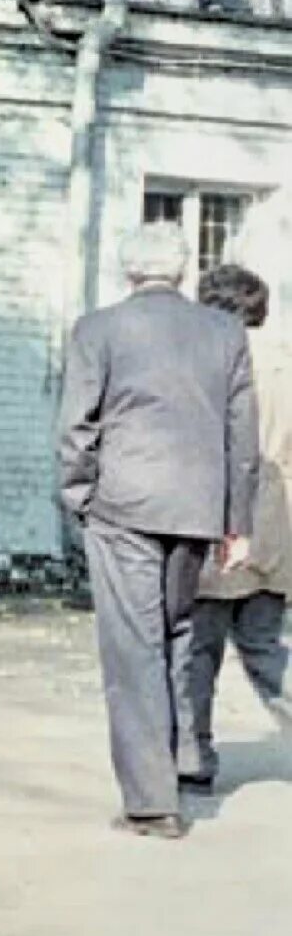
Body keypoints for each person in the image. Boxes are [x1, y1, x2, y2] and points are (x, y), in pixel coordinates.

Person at [56, 221, 259, 838]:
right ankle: (182, 761)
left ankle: (151, 802)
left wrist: (78, 499)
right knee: (177, 631)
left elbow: (75, 429)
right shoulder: (225, 332)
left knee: (133, 646)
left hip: (124, 507)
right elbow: (241, 434)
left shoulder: (98, 329)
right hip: (198, 507)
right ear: (181, 270)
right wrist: (237, 521)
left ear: (129, 271)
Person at [177, 264, 290, 789]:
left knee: (200, 650)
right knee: (266, 648)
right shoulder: (287, 361)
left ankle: (193, 755)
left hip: (224, 521)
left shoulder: (216, 361)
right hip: (280, 527)